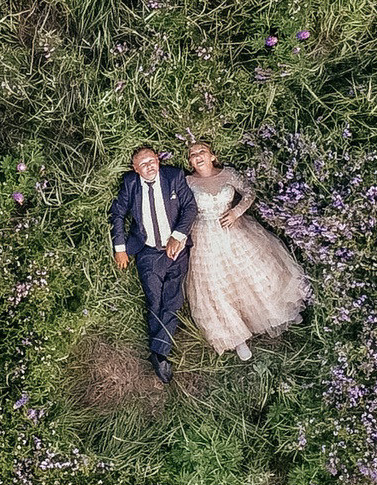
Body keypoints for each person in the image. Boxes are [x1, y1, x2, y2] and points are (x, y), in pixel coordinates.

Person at [181, 141, 308, 361]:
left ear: (212, 155)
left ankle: (282, 312)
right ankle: (236, 338)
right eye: (192, 155)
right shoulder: (187, 182)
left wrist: (236, 212)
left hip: (234, 228)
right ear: (190, 161)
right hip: (205, 235)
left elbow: (249, 192)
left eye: (202, 151)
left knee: (257, 271)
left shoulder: (228, 174)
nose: (198, 156)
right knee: (217, 285)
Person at [109, 145, 199, 384]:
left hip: (177, 249)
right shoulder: (130, 183)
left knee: (173, 298)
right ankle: (160, 348)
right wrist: (120, 248)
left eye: (152, 160)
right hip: (148, 250)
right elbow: (117, 214)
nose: (149, 166)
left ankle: (159, 354)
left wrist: (178, 236)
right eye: (143, 163)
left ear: (158, 161)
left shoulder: (174, 176)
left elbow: (190, 207)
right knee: (154, 299)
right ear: (135, 169)